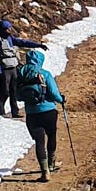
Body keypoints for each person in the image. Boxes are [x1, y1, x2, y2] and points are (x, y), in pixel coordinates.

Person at [15, 49, 65, 182]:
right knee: (52, 136)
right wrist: (61, 99)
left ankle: (45, 172)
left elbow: (18, 96)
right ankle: (51, 164)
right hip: (49, 111)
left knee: (39, 142)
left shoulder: (20, 75)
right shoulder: (45, 74)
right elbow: (54, 94)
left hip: (32, 114)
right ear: (40, 60)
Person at [0, 20, 46, 118]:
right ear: (3, 30)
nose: (9, 30)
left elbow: (23, 42)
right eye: (8, 29)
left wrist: (38, 45)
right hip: (4, 69)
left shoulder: (10, 38)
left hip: (13, 67)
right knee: (5, 90)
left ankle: (15, 112)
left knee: (13, 90)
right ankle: (0, 111)